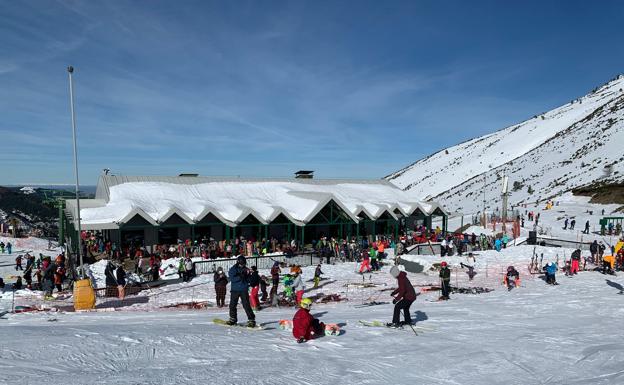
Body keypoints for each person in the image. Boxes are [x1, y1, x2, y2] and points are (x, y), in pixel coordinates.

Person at [227, 255, 255, 327]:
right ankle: (233, 319)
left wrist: (251, 275)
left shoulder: (246, 269)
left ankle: (251, 319)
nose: (242, 265)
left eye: (244, 264)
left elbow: (249, 280)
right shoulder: (233, 269)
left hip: (243, 289)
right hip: (235, 290)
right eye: (241, 264)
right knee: (232, 305)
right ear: (238, 262)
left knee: (246, 305)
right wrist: (240, 276)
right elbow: (232, 278)